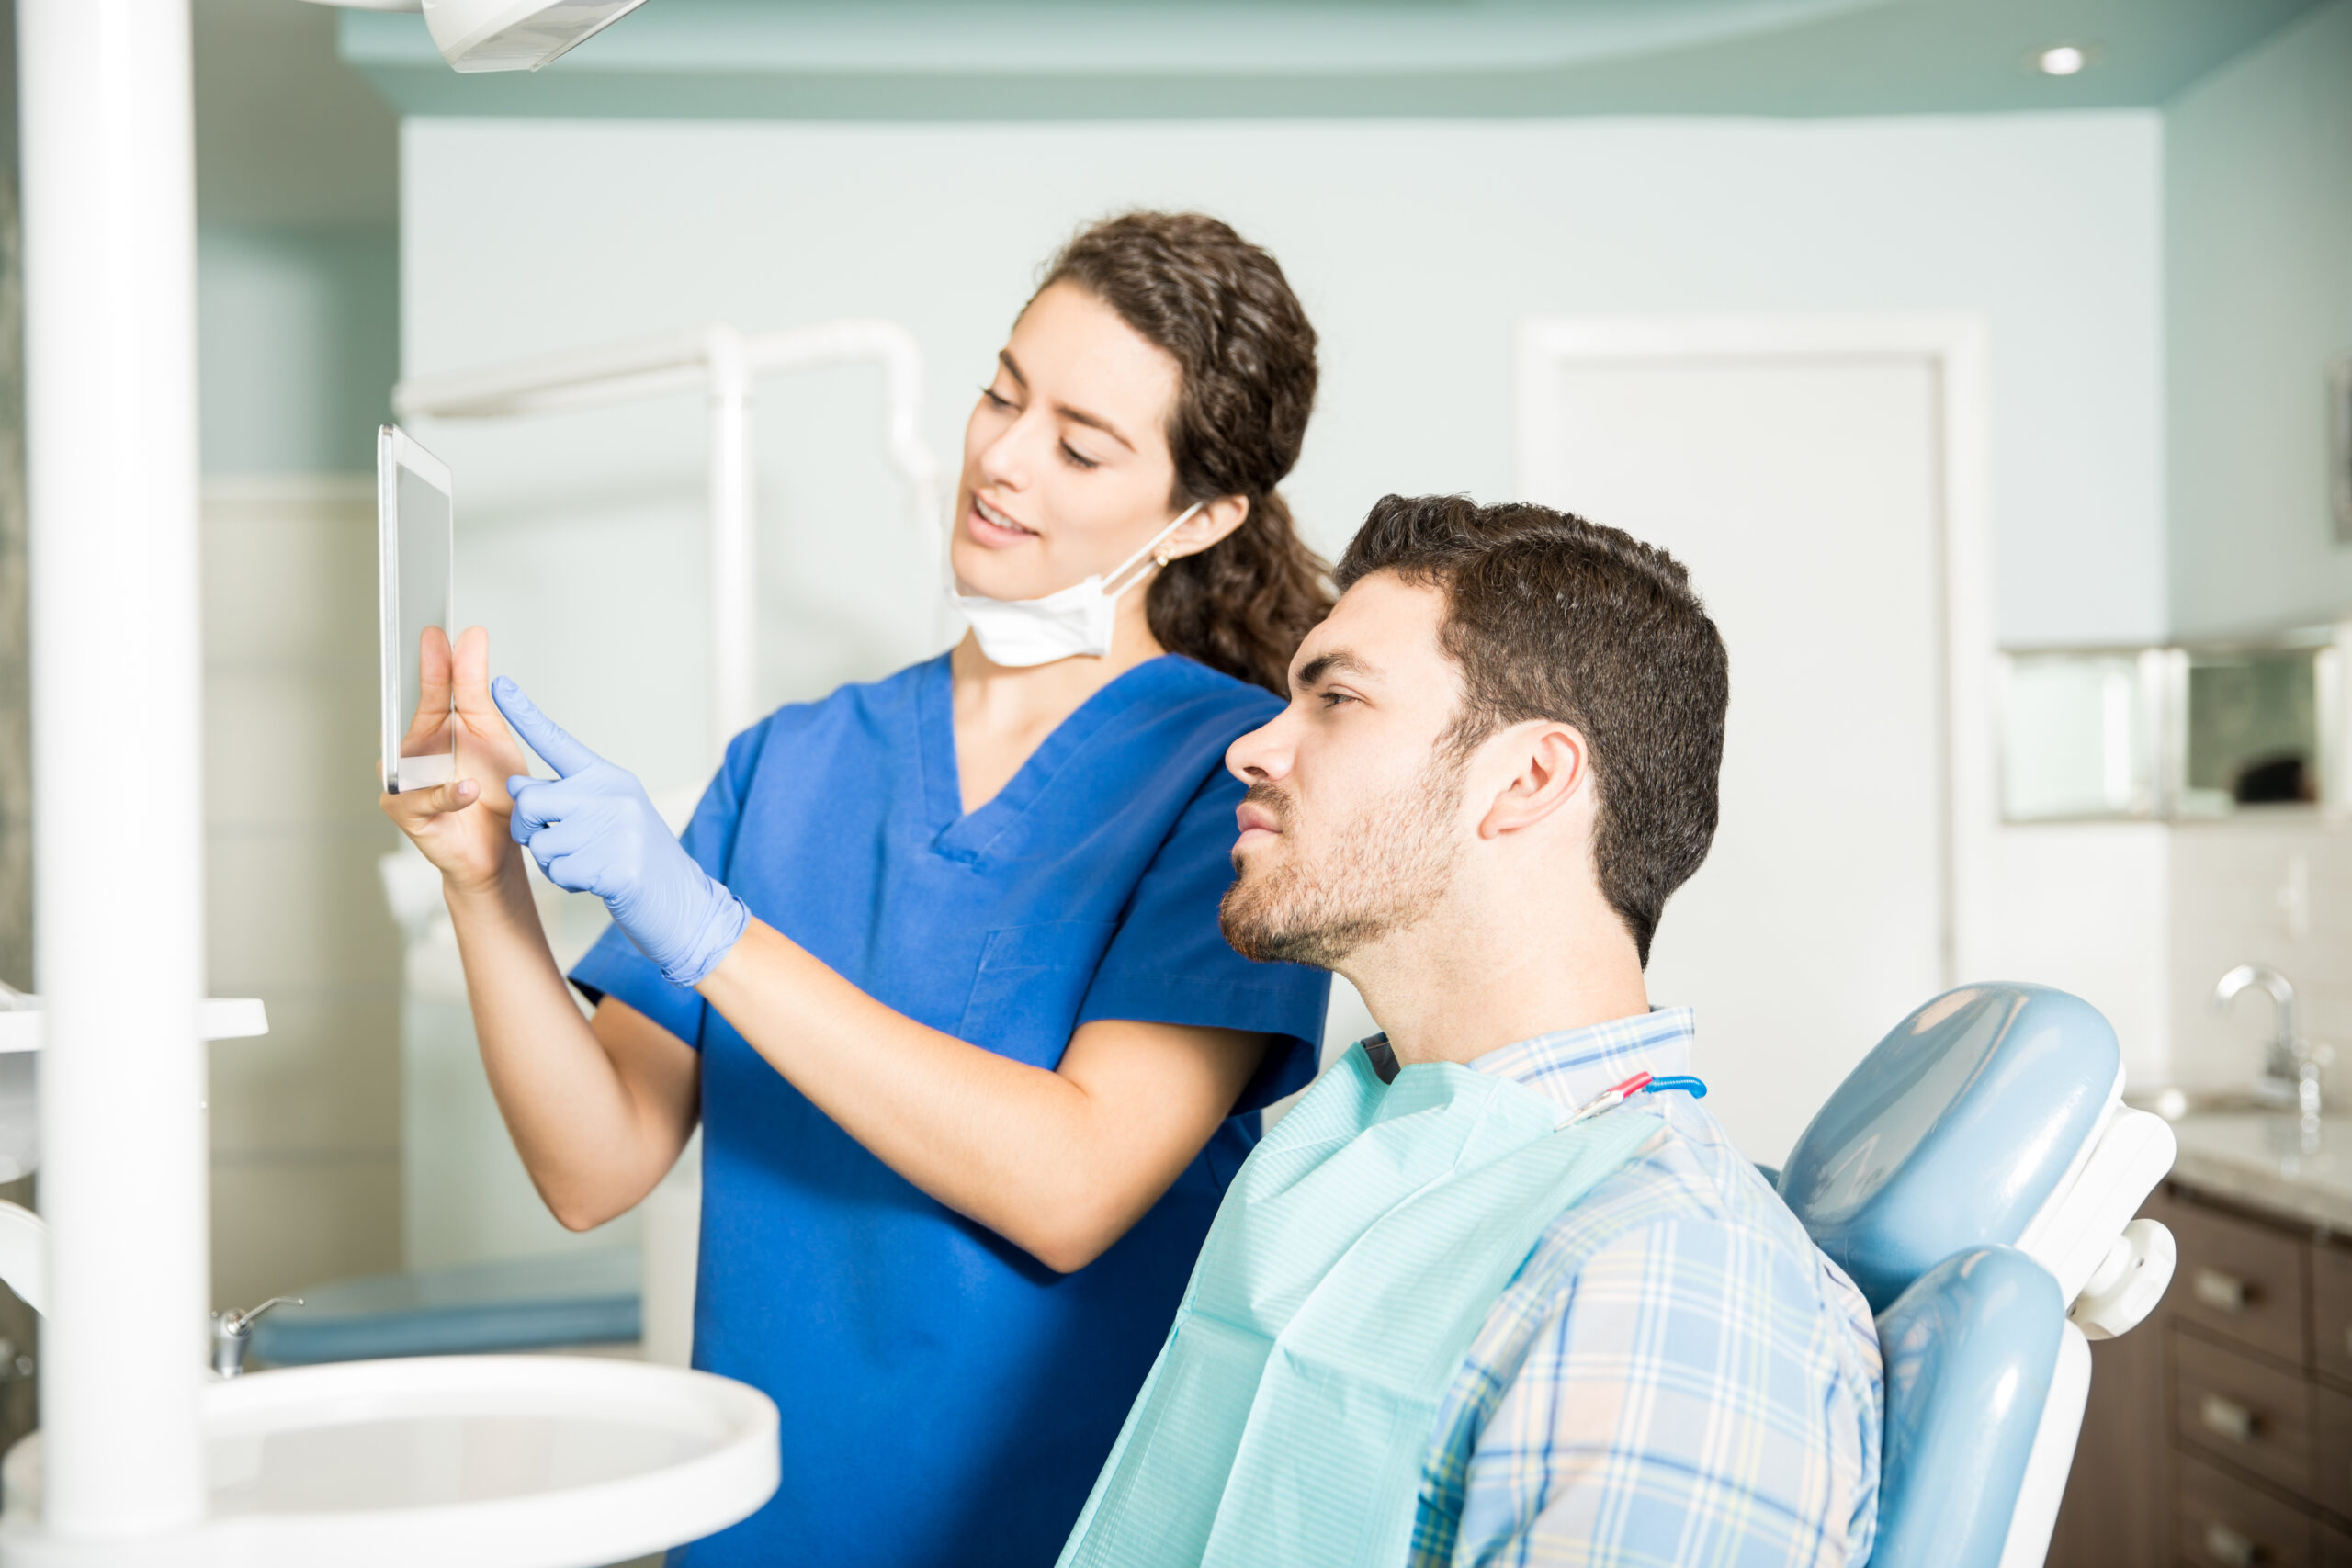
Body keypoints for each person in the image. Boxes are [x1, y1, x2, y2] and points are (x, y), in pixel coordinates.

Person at [379, 212, 1335, 1568]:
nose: (1000, 458)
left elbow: (1072, 1183)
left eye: (1078, 441)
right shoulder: (795, 759)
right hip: (766, 1526)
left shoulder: (1234, 784)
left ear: (1204, 515)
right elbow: (596, 1166)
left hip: (1058, 1533)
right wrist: (484, 884)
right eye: (1002, 389)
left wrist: (713, 933)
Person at [1057, 495, 1883, 1568]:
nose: (1251, 750)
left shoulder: (1662, 1276)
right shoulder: (1365, 1164)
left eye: (1336, 699)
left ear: (1526, 780)